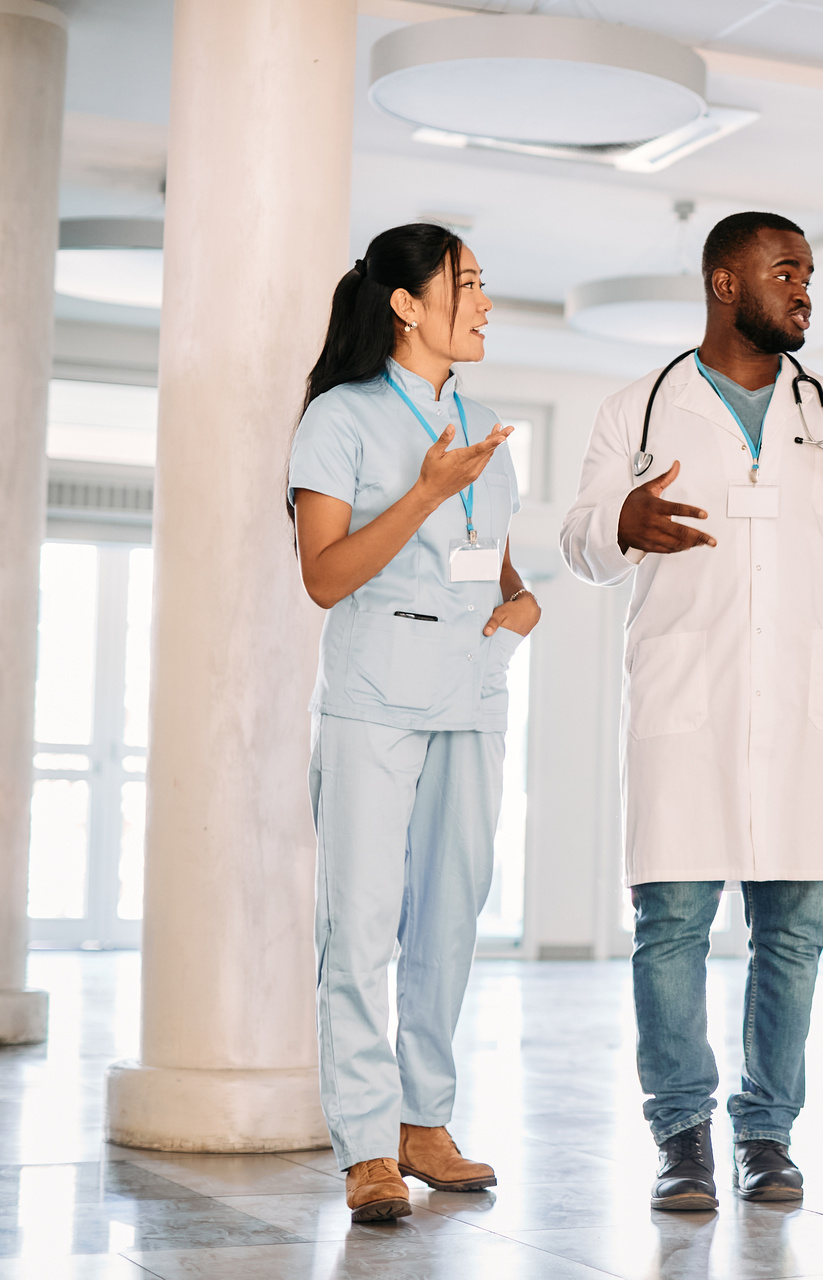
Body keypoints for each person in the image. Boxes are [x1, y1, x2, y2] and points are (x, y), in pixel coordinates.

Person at [559, 211, 823, 1211]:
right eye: (785, 269)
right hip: (688, 694)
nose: (805, 288)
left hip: (803, 711)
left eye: (809, 272)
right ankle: (683, 1133)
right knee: (672, 921)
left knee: (793, 928)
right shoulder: (638, 408)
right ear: (726, 281)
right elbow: (580, 543)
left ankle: (767, 1132)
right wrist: (616, 522)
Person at [289, 223, 538, 1222]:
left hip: (471, 691)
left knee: (450, 914)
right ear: (405, 304)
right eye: (465, 285)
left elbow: (487, 553)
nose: (482, 303)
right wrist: (426, 489)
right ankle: (364, 1142)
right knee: (360, 924)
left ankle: (425, 1120)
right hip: (375, 697)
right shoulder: (340, 420)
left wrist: (522, 600)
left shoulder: (485, 421)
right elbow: (323, 575)